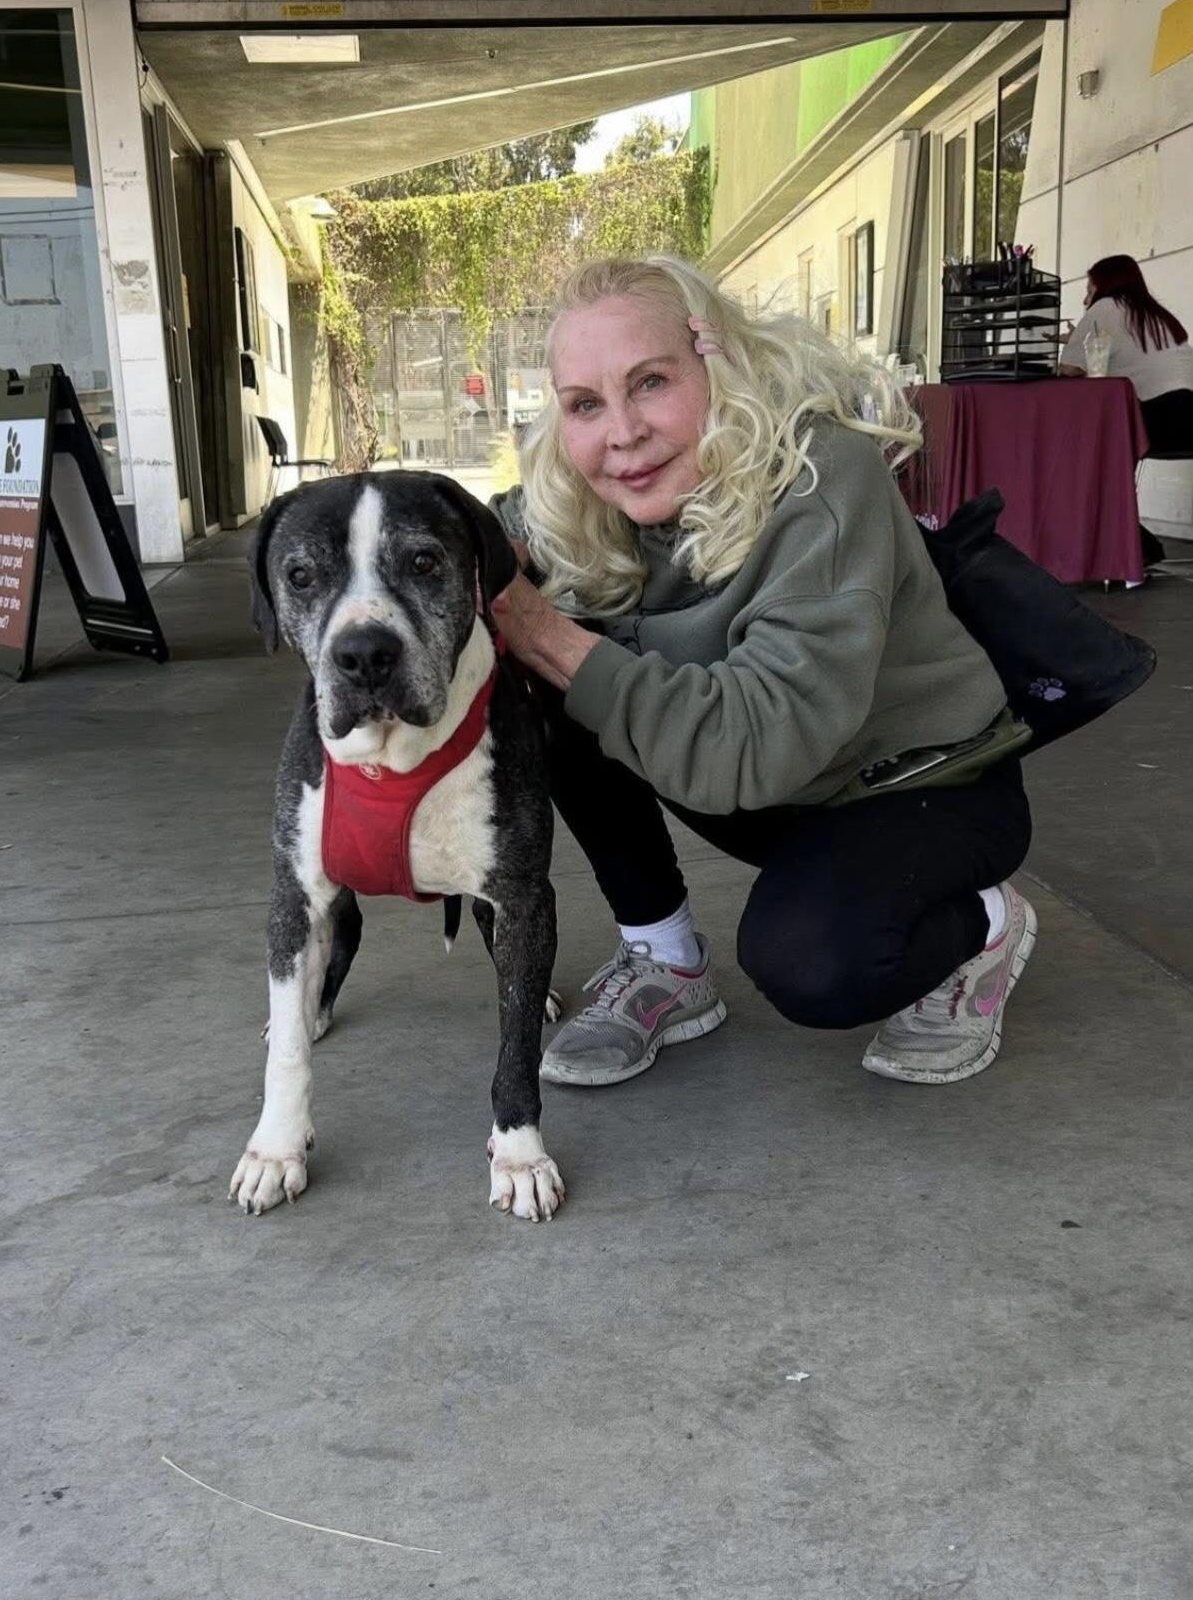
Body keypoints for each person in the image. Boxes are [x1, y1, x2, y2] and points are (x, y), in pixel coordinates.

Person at [490, 254, 1036, 1090]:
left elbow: (753, 743)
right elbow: (481, 531)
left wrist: (545, 634)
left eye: (651, 383)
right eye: (585, 405)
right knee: (547, 680)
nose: (623, 433)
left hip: (923, 785)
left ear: (719, 363)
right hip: (784, 789)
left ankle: (987, 924)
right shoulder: (595, 497)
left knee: (814, 964)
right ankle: (666, 962)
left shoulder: (822, 475)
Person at [1060, 254, 1193, 470]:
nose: (1085, 300)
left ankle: (1098, 500)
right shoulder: (1157, 314)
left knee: (1085, 435)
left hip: (1156, 420)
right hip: (1187, 419)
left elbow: (1069, 370)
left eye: (1089, 291)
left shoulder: (1105, 306)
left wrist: (1073, 343)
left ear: (1104, 286)